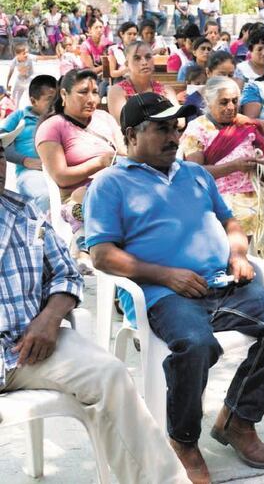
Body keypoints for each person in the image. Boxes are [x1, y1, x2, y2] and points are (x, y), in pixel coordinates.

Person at [84, 93, 264, 483]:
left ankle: (237, 420)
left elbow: (231, 223)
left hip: (222, 284)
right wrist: (166, 275)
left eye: (176, 128)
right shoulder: (109, 184)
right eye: (162, 129)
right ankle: (184, 440)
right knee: (196, 343)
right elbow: (102, 255)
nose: (174, 137)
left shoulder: (196, 174)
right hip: (162, 294)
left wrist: (238, 254)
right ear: (132, 135)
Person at [0, 138, 191, 484]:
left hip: (29, 345)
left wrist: (50, 317)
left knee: (111, 375)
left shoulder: (24, 211)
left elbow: (66, 273)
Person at [35, 69, 125, 256]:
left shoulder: (104, 118)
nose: (92, 99)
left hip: (118, 187)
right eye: (83, 92)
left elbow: (125, 153)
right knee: (86, 196)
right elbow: (61, 177)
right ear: (64, 94)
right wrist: (100, 162)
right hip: (77, 198)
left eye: (95, 92)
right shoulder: (52, 127)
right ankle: (87, 251)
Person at [180, 76, 264, 237]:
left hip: (254, 191)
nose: (231, 107)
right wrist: (233, 166)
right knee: (243, 216)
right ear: (209, 101)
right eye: (224, 102)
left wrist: (260, 163)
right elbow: (195, 172)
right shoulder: (197, 129)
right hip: (218, 195)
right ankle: (239, 258)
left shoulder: (245, 124)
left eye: (235, 101)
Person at [0, 75, 57, 212]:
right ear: (33, 101)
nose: (54, 104)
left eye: (56, 99)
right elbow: (2, 142)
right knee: (44, 196)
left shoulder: (59, 117)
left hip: (59, 171)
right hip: (30, 172)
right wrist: (24, 160)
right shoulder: (19, 116)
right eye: (49, 100)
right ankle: (40, 232)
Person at [107, 41, 178, 123]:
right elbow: (123, 123)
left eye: (148, 57)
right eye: (137, 58)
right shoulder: (117, 91)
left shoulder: (167, 90)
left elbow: (180, 121)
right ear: (127, 64)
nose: (144, 62)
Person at [79, 17, 112, 84]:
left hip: (106, 76)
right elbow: (91, 70)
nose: (99, 30)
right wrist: (106, 66)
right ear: (89, 30)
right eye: (96, 27)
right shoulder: (85, 46)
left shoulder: (108, 43)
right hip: (90, 78)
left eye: (101, 27)